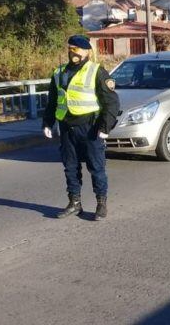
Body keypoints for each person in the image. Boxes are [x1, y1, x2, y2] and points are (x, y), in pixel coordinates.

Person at [42, 35, 120, 220]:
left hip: (90, 128)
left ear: (87, 52)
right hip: (67, 128)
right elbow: (53, 101)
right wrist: (47, 122)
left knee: (96, 167)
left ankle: (101, 204)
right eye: (71, 48)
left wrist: (105, 127)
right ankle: (74, 203)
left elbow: (111, 102)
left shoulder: (97, 72)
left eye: (77, 49)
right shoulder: (59, 72)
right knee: (70, 167)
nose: (73, 52)